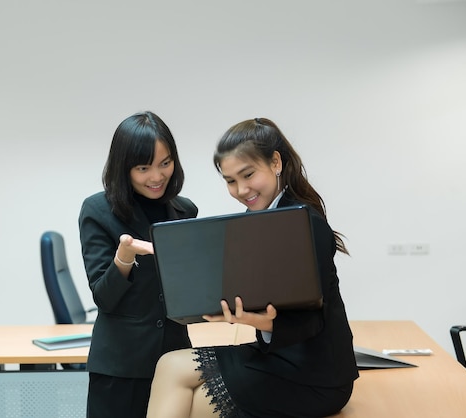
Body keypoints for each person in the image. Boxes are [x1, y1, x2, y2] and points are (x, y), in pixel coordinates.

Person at [146, 117, 359, 418]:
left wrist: (259, 321)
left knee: (189, 406)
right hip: (278, 357)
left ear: (275, 162)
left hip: (315, 376)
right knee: (169, 364)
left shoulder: (304, 223)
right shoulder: (257, 221)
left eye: (247, 175)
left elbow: (312, 323)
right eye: (230, 181)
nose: (241, 189)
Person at [78, 111, 198, 418]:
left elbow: (184, 290)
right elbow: (104, 298)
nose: (157, 177)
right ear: (124, 168)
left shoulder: (184, 211)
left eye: (165, 163)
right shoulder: (97, 211)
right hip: (121, 365)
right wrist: (124, 257)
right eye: (144, 168)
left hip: (174, 360)